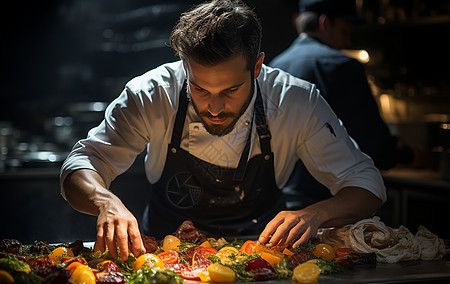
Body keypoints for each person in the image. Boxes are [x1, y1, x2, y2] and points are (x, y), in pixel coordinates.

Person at [60, 0, 386, 261]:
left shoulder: (295, 101)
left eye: (230, 90)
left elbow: (368, 185)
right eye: (200, 89)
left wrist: (317, 214)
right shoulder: (151, 93)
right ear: (185, 67)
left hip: (261, 261)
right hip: (162, 258)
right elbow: (80, 165)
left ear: (257, 67)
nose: (214, 108)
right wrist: (105, 201)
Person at [270, 0, 410, 206]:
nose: (347, 42)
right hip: (330, 203)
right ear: (325, 23)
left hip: (282, 202)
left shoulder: (274, 66)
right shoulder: (342, 66)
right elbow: (375, 145)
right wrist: (406, 155)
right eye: (345, 32)